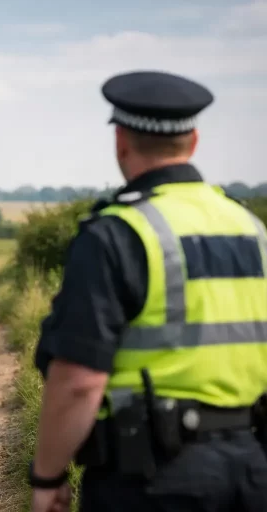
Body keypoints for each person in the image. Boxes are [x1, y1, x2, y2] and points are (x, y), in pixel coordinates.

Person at [27, 70, 267, 512]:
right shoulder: (252, 230)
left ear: (120, 142)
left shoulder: (118, 234)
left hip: (154, 482)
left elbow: (80, 381)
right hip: (252, 472)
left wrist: (48, 476)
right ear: (194, 141)